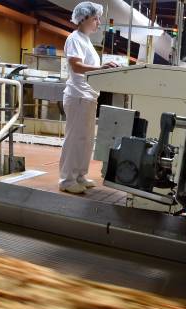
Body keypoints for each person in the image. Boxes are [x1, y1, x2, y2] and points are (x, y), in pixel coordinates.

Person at [59, 1, 118, 194]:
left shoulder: (86, 41)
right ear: (83, 19)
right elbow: (76, 66)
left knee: (85, 139)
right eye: (95, 18)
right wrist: (100, 68)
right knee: (74, 139)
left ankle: (80, 175)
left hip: (88, 96)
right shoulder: (74, 38)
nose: (98, 23)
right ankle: (67, 180)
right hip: (77, 96)